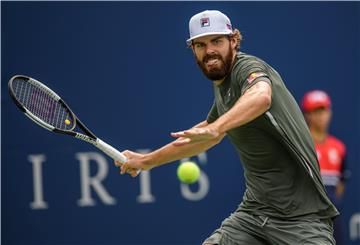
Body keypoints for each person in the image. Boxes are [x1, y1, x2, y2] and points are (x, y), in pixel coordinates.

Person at [117, 10, 338, 244]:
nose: (209, 50)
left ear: (234, 41)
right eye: (200, 44)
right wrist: (145, 161)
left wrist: (217, 128)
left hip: (302, 220)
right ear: (192, 50)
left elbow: (261, 96)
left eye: (217, 41)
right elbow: (204, 136)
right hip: (253, 215)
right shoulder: (223, 86)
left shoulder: (247, 67)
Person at [301, 90, 347, 244]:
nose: (321, 116)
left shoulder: (339, 147)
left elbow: (341, 184)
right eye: (315, 111)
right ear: (307, 115)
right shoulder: (301, 145)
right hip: (305, 219)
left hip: (333, 218)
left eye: (323, 110)